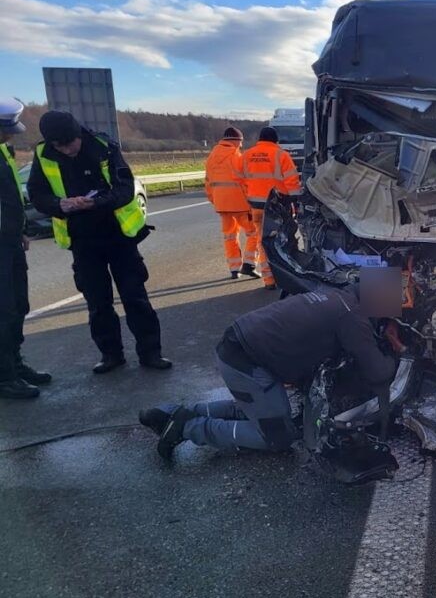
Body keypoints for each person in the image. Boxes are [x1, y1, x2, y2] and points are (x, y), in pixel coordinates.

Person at [141, 283, 396, 460]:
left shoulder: (335, 295)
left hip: (236, 347)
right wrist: (397, 351)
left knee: (258, 409)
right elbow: (378, 373)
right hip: (247, 363)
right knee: (278, 437)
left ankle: (171, 412)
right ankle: (188, 428)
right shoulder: (353, 318)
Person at [28, 110, 171, 374]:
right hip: (82, 241)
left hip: (118, 236)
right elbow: (36, 194)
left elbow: (125, 187)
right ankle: (110, 355)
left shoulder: (103, 146)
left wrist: (97, 202)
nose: (67, 150)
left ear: (79, 135)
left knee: (135, 297)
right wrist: (60, 204)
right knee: (97, 303)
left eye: (70, 143)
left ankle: (151, 353)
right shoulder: (44, 154)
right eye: (59, 146)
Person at [0, 97, 50, 400]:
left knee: (18, 305)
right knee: (3, 310)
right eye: (5, 130)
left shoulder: (3, 151)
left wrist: (18, 232)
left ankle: (15, 364)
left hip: (9, 242)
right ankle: (4, 376)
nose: (10, 136)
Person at [240, 126, 301, 291]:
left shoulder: (246, 155)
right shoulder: (281, 155)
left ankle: (269, 280)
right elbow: (292, 182)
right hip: (277, 207)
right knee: (283, 240)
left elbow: (240, 181)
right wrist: (295, 201)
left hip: (256, 207)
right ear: (276, 140)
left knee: (263, 242)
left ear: (260, 139)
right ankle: (286, 277)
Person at [204, 127, 261, 280]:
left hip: (222, 205)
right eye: (240, 142)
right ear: (235, 141)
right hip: (241, 205)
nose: (241, 146)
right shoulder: (237, 157)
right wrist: (251, 203)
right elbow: (245, 183)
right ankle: (249, 264)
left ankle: (234, 269)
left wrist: (215, 201)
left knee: (229, 236)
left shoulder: (211, 158)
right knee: (254, 233)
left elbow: (208, 183)